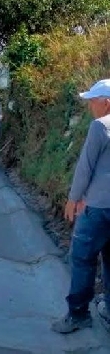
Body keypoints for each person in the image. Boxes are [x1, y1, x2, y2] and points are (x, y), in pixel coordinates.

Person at [52, 79, 110, 334]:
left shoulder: (100, 127)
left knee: (83, 258)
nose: (90, 107)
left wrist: (73, 199)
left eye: (93, 101)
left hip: (97, 208)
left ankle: (78, 314)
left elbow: (86, 167)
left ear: (106, 103)